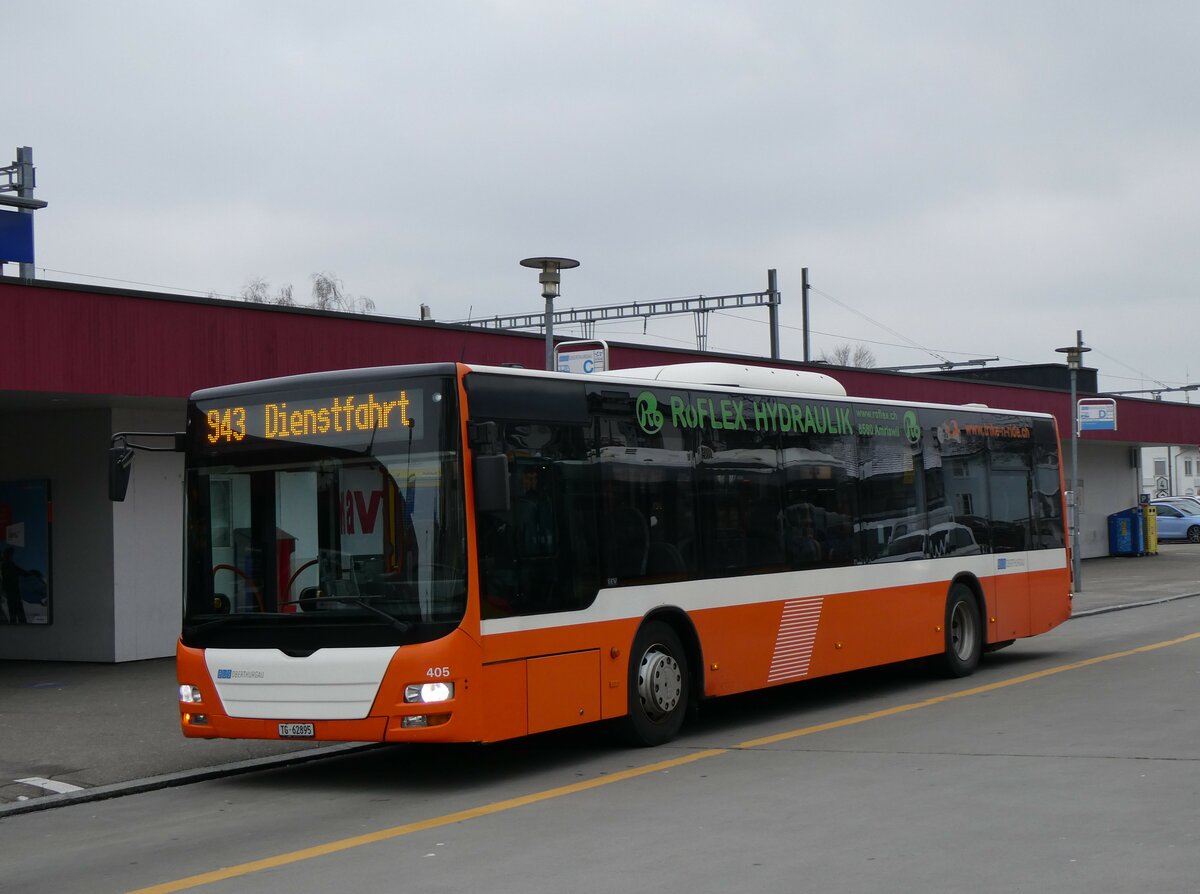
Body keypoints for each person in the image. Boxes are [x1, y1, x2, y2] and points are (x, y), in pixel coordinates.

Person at [2, 546, 29, 624]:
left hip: (10, 593)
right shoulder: (9, 565)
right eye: (11, 554)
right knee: (18, 611)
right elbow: (22, 572)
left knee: (13, 611)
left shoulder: (6, 565)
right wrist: (30, 573)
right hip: (14, 592)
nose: (12, 556)